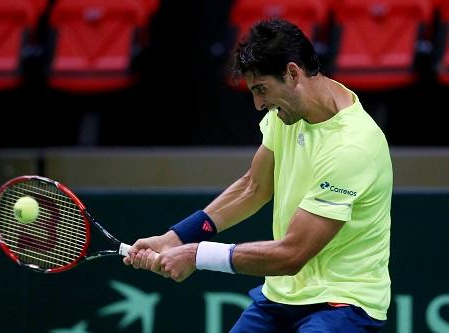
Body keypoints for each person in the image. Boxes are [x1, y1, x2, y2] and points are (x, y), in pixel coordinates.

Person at [123, 18, 392, 332]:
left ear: (293, 73)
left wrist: (197, 254)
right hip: (280, 296)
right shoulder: (287, 113)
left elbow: (292, 254)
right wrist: (175, 238)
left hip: (343, 302)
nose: (258, 103)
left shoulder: (352, 146)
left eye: (262, 89)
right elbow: (254, 186)